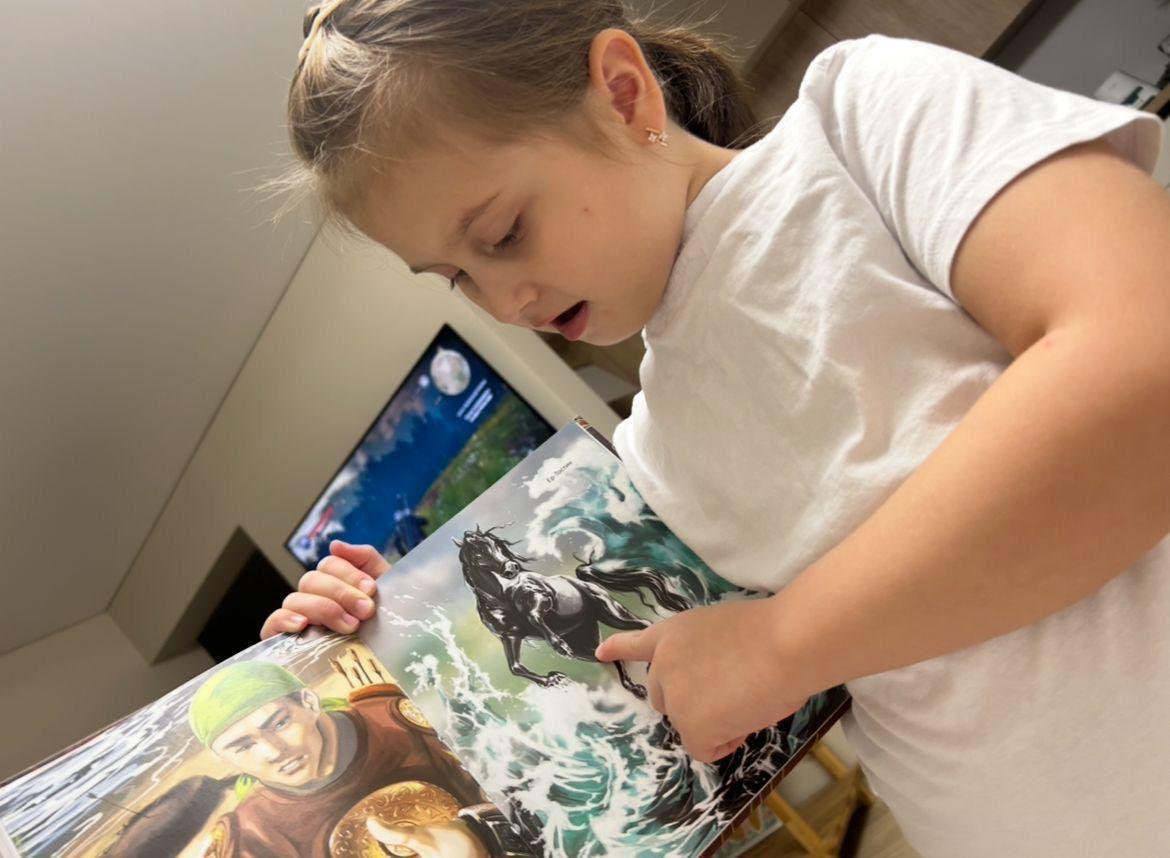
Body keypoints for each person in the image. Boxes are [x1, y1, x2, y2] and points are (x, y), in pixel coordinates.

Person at [260, 2, 1170, 855]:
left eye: (503, 234)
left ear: (624, 93)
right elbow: (599, 730)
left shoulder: (858, 121)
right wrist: (367, 643)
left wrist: (781, 643)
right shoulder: (645, 463)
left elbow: (1143, 366)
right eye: (456, 278)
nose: (504, 303)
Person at [184, 661, 528, 857]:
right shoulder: (250, 834)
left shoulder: (403, 723)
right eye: (243, 746)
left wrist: (477, 837)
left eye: (279, 723)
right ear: (221, 758)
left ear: (309, 702)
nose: (274, 752)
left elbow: (532, 786)